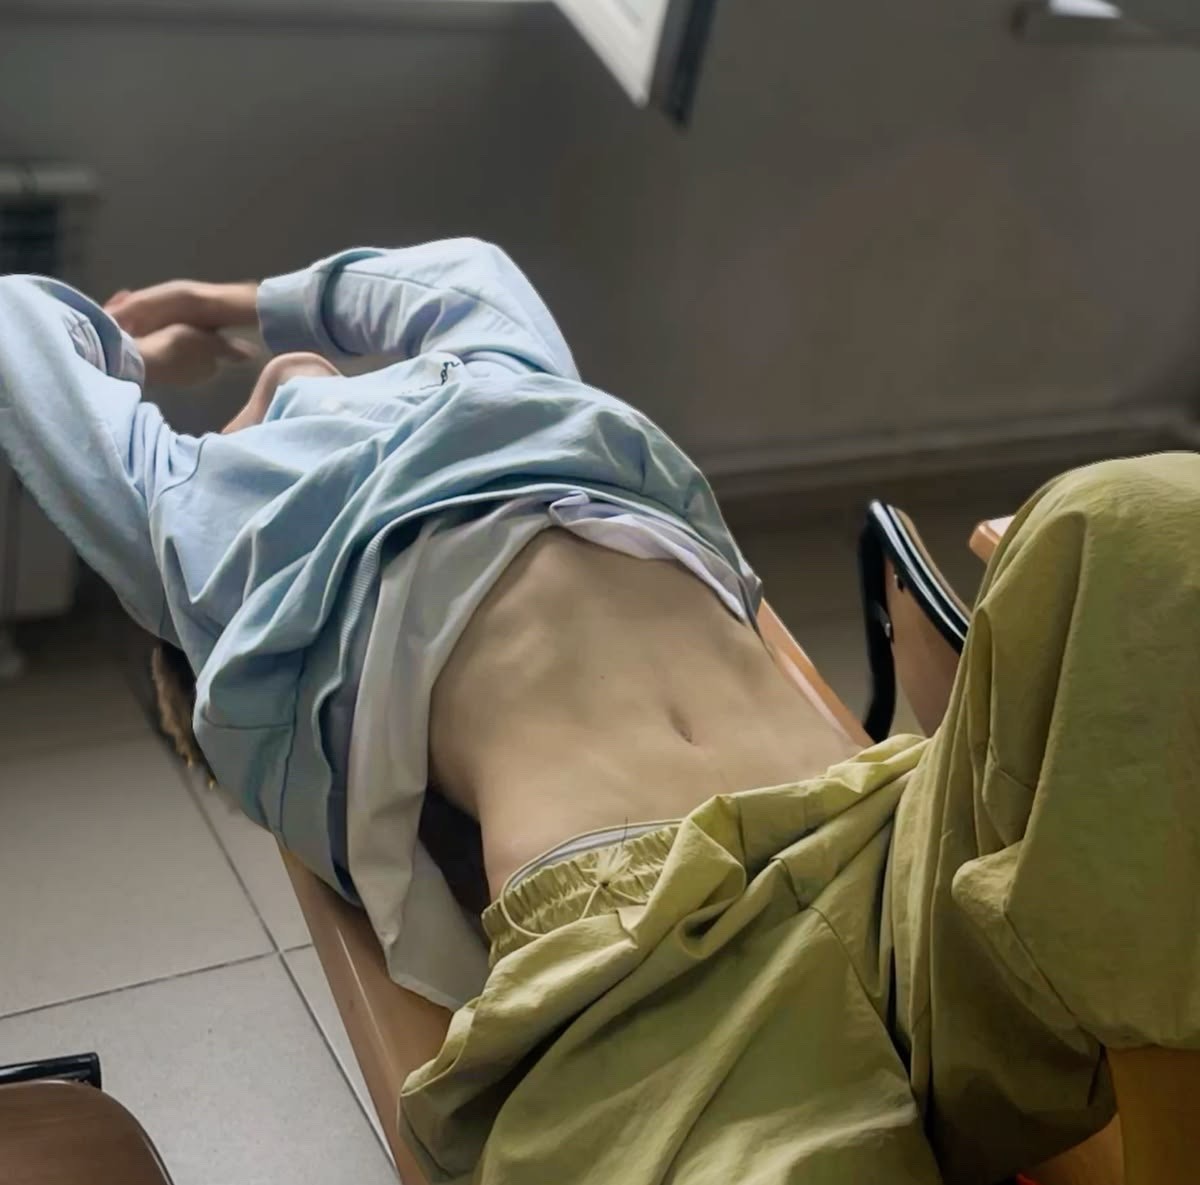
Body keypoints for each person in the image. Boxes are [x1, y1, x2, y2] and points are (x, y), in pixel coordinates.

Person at [1, 241, 1197, 1185]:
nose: (292, 382)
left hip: (898, 839)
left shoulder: (502, 382)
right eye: (259, 401)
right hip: (652, 954)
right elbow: (20, 329)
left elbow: (459, 269)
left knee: (1133, 522)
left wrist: (237, 310)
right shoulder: (211, 527)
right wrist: (128, 357)